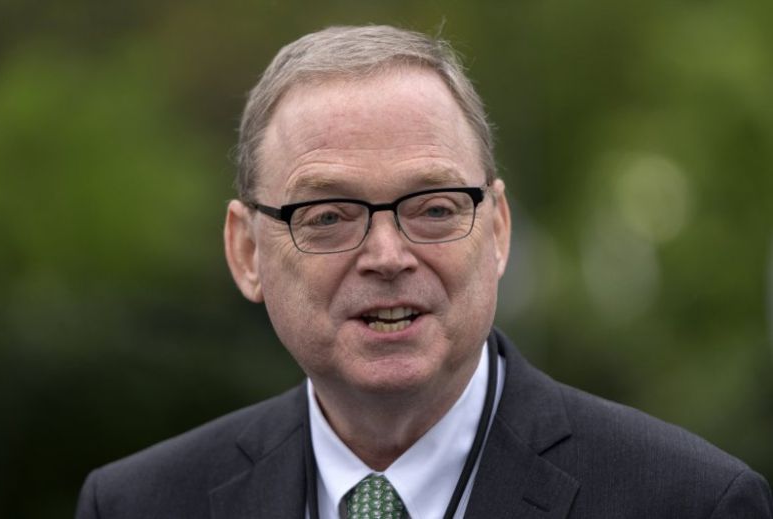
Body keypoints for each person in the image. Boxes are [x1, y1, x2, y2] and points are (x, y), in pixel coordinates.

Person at [76, 25, 773, 518]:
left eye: (435, 208)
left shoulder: (691, 502)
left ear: (497, 231)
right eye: (329, 216)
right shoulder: (136, 504)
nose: (387, 256)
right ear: (247, 252)